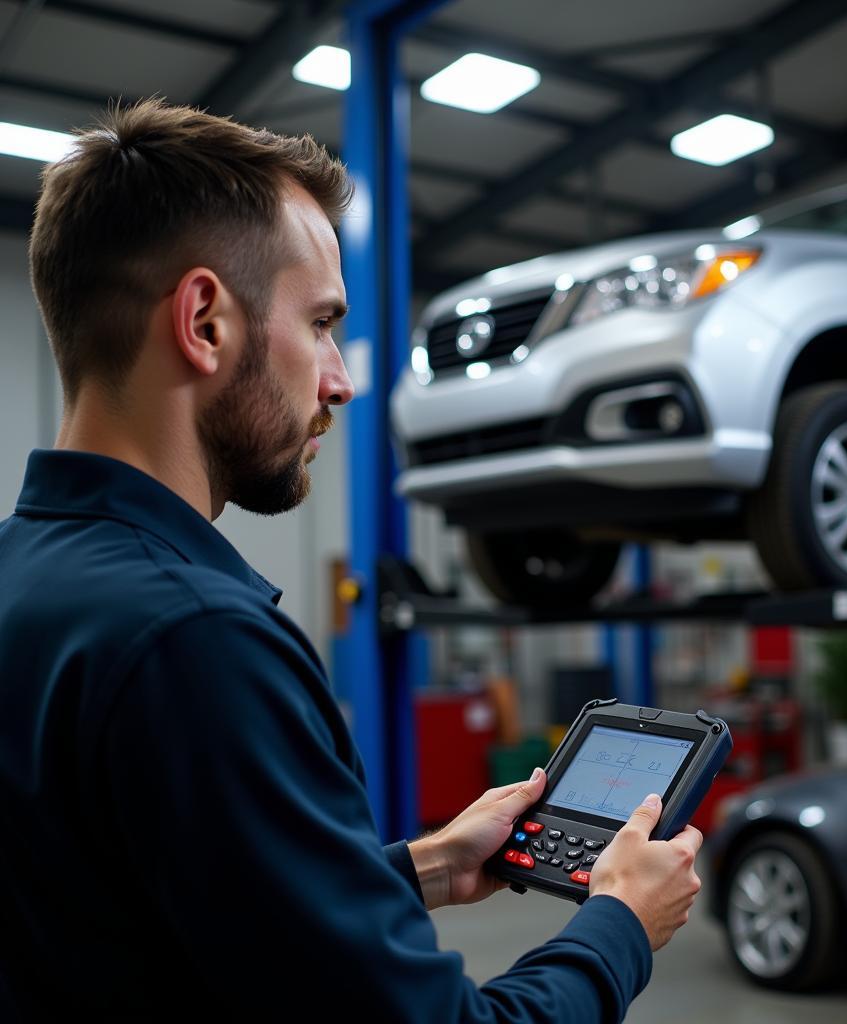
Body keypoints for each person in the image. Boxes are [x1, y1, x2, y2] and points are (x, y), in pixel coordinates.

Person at [0, 99, 703, 1021]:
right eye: (322, 322)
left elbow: (143, 911)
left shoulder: (28, 578)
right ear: (205, 320)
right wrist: (618, 923)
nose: (341, 377)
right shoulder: (196, 642)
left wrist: (427, 868)